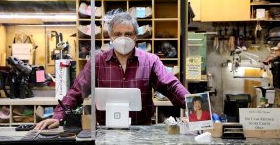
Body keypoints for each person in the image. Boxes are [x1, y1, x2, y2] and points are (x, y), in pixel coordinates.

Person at [35, 12, 189, 130]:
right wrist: (58, 115)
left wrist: (195, 105)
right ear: (110, 36)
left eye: (128, 34)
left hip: (141, 130)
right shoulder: (97, 62)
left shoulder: (150, 61)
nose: (123, 38)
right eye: (118, 34)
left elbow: (172, 86)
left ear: (136, 36)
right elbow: (77, 91)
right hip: (105, 131)